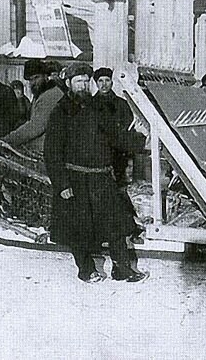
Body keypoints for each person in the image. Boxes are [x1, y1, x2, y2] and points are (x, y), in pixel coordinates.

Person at [44, 62, 148, 283]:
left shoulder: (97, 108)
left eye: (84, 80)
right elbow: (52, 153)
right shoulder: (60, 112)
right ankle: (86, 270)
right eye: (77, 81)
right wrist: (62, 185)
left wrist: (139, 138)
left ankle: (122, 269)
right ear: (69, 83)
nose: (82, 85)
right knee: (79, 228)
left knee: (116, 225)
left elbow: (115, 136)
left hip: (101, 177)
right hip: (76, 179)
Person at [1, 59, 64, 155]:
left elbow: (35, 127)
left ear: (46, 76)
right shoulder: (41, 94)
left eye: (36, 77)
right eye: (30, 79)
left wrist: (8, 140)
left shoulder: (51, 95)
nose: (33, 82)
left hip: (48, 150)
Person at [92, 67, 134, 185]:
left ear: (112, 82)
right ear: (96, 83)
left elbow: (128, 125)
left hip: (118, 153)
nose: (104, 84)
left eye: (107, 80)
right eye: (100, 81)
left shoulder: (121, 104)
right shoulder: (90, 104)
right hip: (98, 153)